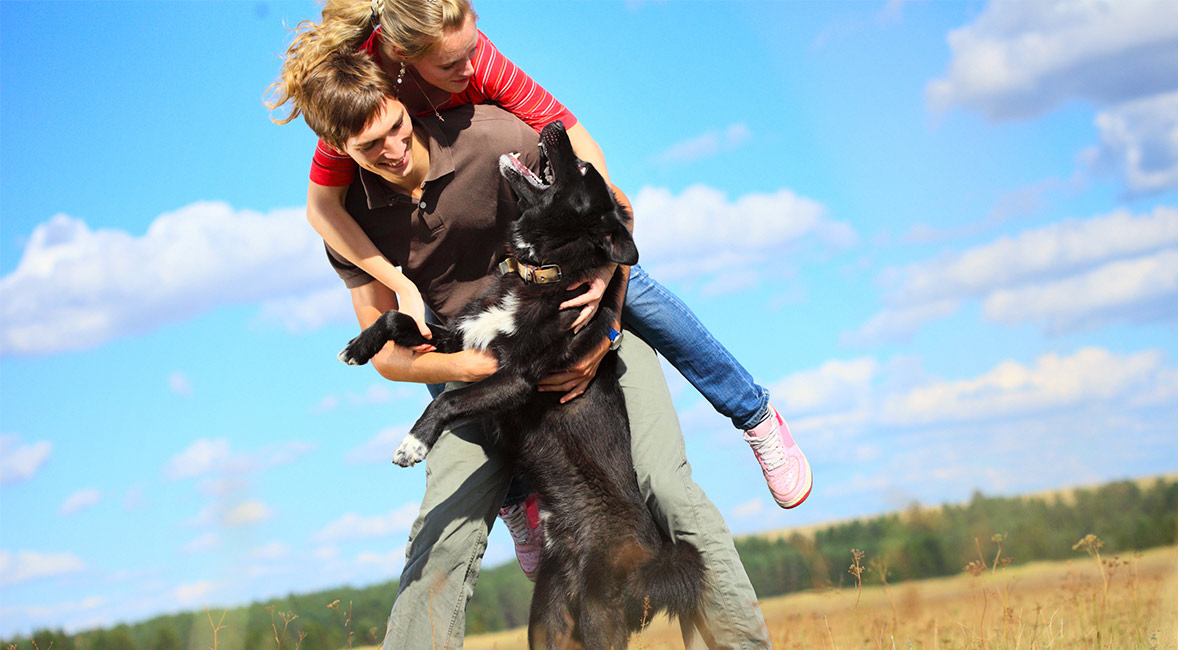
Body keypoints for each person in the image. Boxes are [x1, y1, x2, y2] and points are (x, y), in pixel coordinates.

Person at [268, 0, 812, 576]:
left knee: (639, 286)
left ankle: (754, 414)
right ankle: (517, 503)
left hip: (530, 221)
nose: (472, 62)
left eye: (473, 44)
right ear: (403, 58)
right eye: (453, 60)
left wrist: (606, 274)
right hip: (478, 259)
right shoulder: (361, 94)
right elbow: (321, 210)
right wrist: (399, 284)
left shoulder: (483, 64)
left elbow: (588, 153)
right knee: (446, 339)